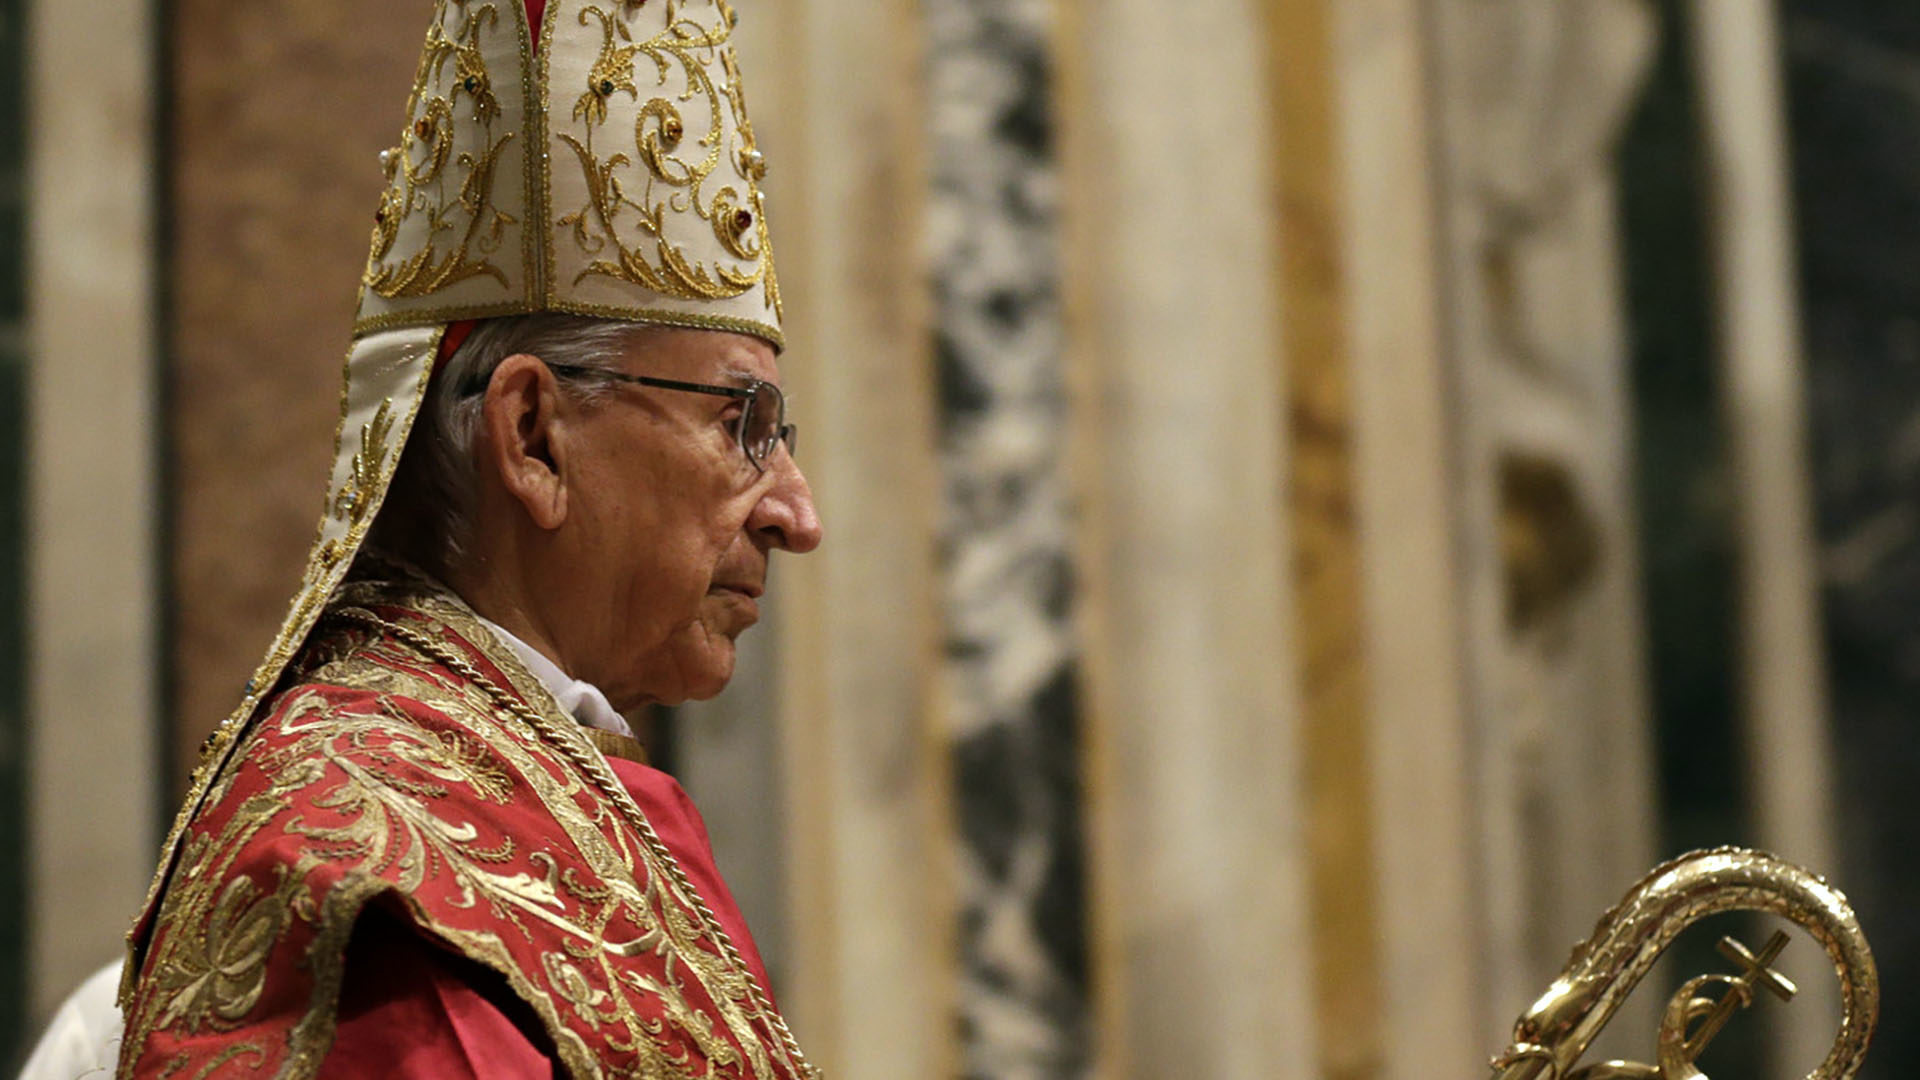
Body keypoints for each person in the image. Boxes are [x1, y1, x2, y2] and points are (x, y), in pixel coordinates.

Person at [110, 1, 823, 1076]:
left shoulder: (564, 793)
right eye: (743, 426)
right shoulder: (366, 850)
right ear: (533, 435)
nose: (796, 514)